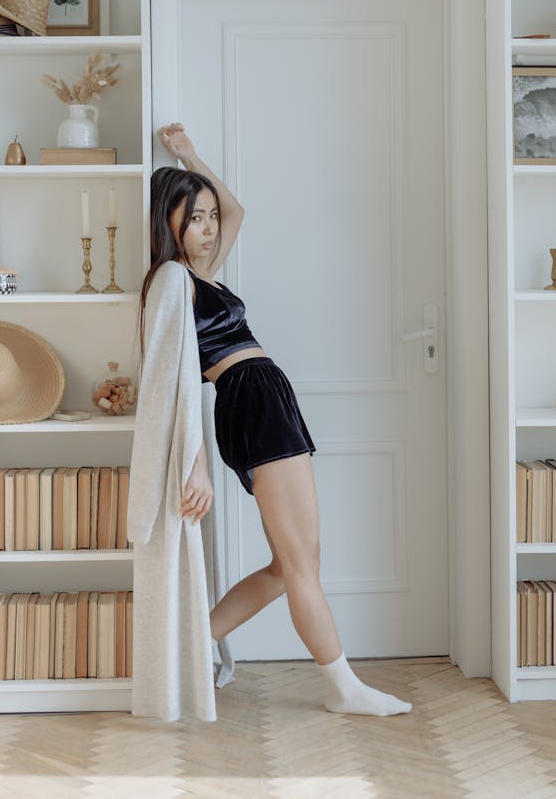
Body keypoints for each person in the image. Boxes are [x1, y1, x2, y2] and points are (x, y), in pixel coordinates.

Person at [141, 122, 412, 717]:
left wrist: (189, 156)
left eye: (209, 218)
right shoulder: (173, 282)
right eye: (194, 219)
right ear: (167, 223)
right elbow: (173, 384)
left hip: (265, 399)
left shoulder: (201, 274)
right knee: (301, 564)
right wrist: (196, 467)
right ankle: (345, 689)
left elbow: (239, 211)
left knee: (287, 568)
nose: (210, 229)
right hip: (251, 402)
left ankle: (187, 647)